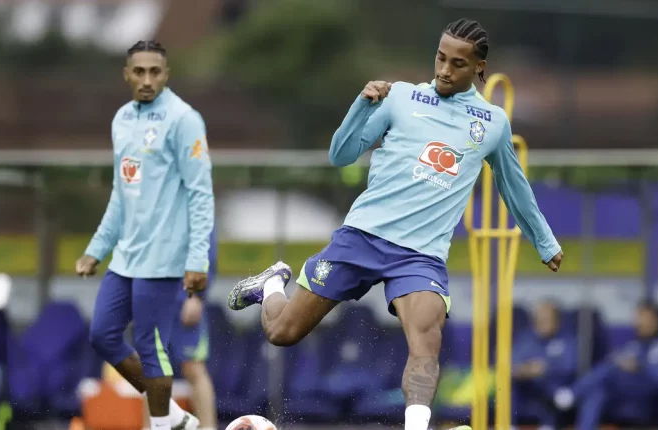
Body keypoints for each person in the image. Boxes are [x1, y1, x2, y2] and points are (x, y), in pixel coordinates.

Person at [227, 18, 562, 430]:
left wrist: (545, 242)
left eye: (457, 63)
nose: (444, 70)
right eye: (440, 58)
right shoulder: (400, 97)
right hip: (362, 238)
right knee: (282, 332)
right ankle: (271, 285)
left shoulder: (491, 123)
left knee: (426, 344)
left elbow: (514, 187)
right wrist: (361, 105)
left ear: (479, 67)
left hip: (420, 257)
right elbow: (340, 154)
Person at [75, 40, 214, 430]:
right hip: (126, 257)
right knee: (103, 335)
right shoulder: (121, 119)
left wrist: (197, 260)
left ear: (166, 74)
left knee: (151, 349)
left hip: (164, 257)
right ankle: (174, 417)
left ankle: (162, 424)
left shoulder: (184, 119)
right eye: (139, 71)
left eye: (155, 71)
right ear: (127, 75)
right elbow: (121, 194)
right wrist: (97, 249)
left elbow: (201, 194)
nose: (147, 79)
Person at [554, 302, 658, 429]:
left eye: (646, 320)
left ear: (657, 322)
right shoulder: (633, 345)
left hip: (654, 394)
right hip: (626, 393)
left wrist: (641, 364)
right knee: (600, 386)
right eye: (639, 319)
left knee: (624, 365)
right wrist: (623, 363)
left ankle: (573, 392)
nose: (641, 324)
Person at [143, 226, 219, 430]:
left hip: (185, 298)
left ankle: (208, 427)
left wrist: (198, 296)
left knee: (193, 367)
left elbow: (206, 249)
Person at [512, 300, 577, 429]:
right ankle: (509, 425)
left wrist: (546, 368)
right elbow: (513, 364)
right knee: (509, 383)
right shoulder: (525, 338)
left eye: (547, 319)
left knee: (552, 384)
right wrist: (528, 370)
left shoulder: (567, 339)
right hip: (527, 386)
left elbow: (570, 367)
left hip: (554, 387)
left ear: (557, 321)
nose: (542, 323)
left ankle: (549, 425)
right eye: (539, 319)